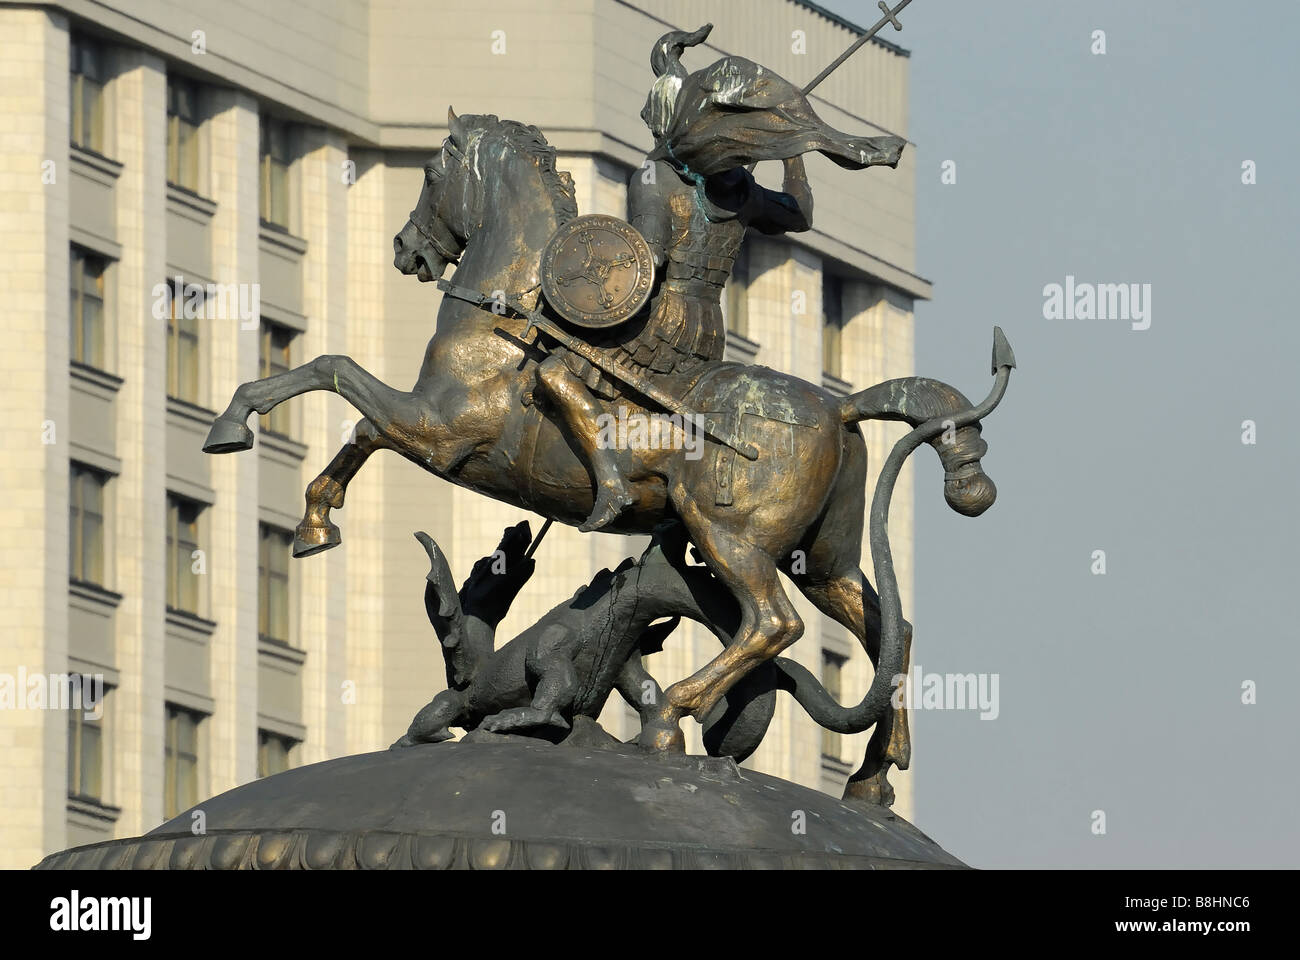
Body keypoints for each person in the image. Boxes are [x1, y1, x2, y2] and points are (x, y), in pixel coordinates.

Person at [534, 24, 905, 532]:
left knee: (555, 373)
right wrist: (791, 153)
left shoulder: (656, 181)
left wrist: (578, 287)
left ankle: (611, 480)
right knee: (657, 413)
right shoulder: (743, 193)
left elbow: (645, 264)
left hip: (659, 324)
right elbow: (798, 215)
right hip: (707, 328)